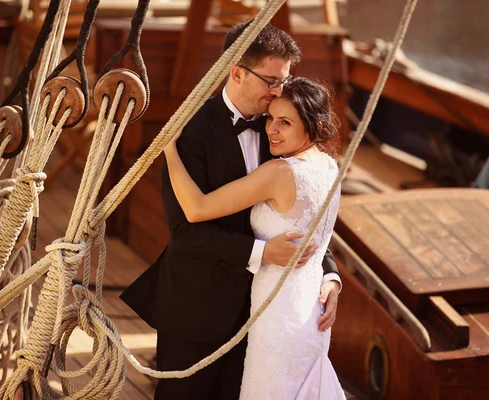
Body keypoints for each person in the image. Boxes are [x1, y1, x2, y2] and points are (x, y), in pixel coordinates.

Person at [120, 21, 341, 400]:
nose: (279, 92)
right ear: (237, 72)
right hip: (198, 306)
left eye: (284, 82)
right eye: (272, 81)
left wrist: (330, 276)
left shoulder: (283, 131)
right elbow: (185, 232)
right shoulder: (191, 130)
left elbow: (303, 214)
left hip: (263, 313)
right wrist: (262, 253)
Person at [164, 76, 345, 399]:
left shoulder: (278, 173)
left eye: (285, 123)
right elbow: (316, 232)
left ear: (314, 127)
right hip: (309, 317)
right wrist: (331, 279)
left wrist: (168, 152)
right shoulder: (331, 167)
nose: (271, 130)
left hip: (276, 318)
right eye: (271, 119)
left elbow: (196, 208)